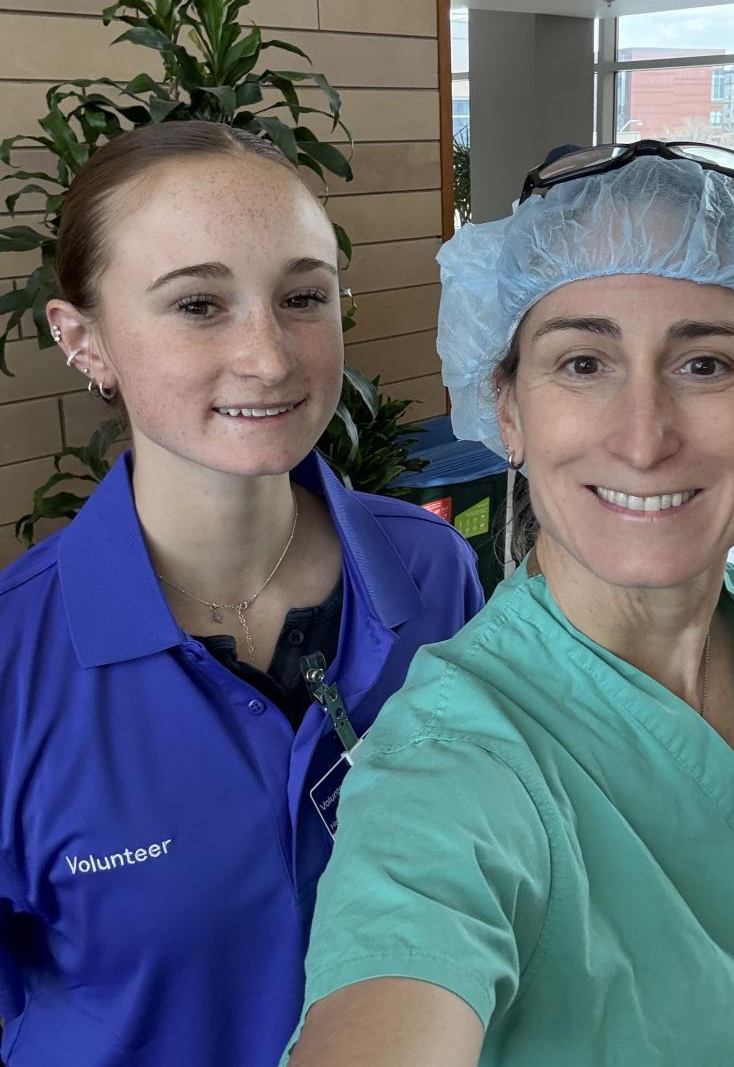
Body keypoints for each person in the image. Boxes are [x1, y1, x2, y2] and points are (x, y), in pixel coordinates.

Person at [287, 141, 734, 1067]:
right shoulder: (454, 761)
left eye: (706, 365)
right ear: (508, 414)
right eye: (583, 363)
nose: (643, 439)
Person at [0, 121, 483, 1067]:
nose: (270, 357)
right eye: (198, 304)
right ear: (84, 340)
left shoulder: (432, 574)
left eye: (302, 297)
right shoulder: (17, 660)